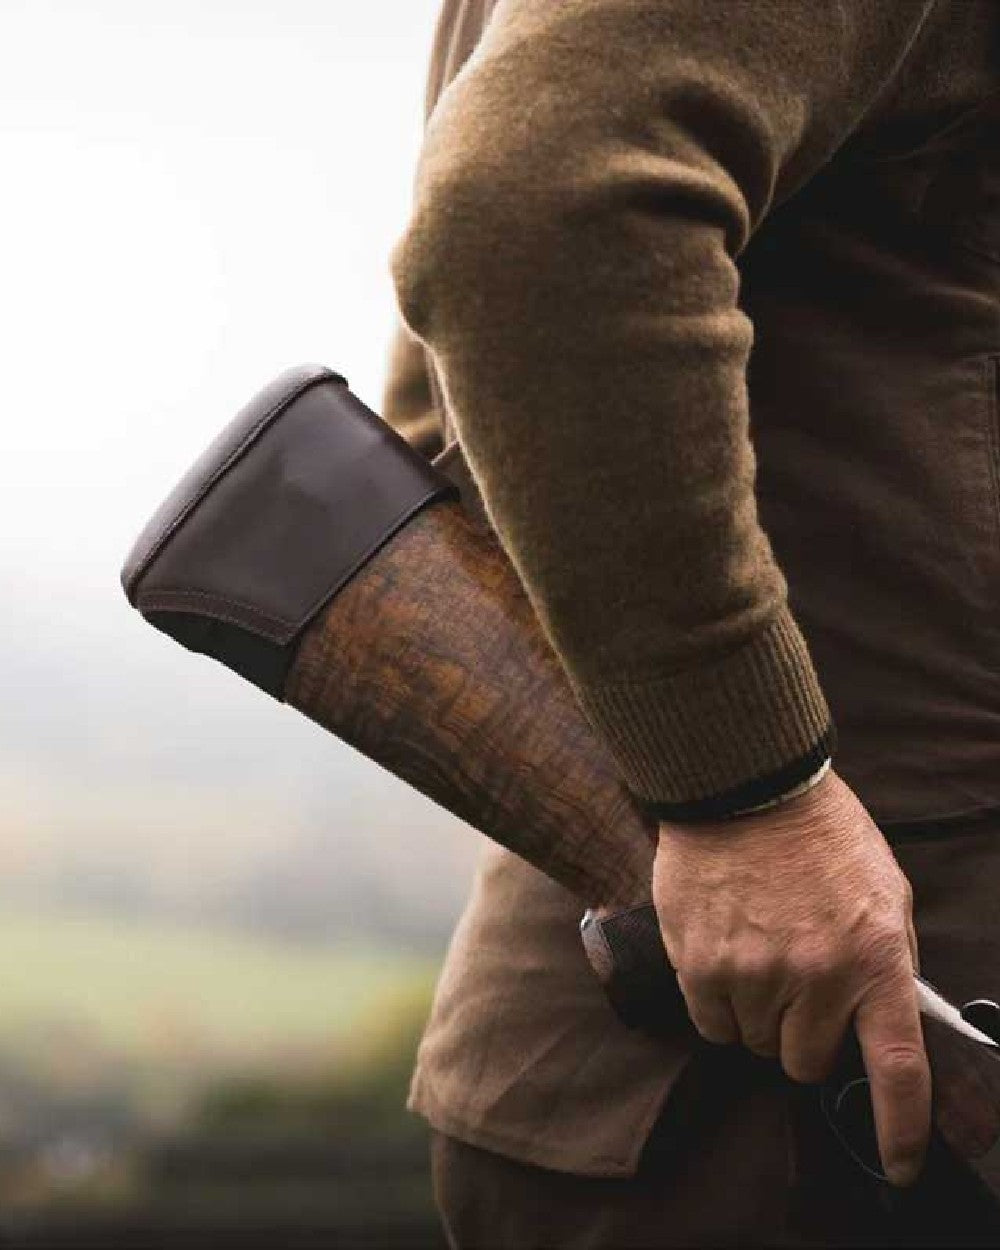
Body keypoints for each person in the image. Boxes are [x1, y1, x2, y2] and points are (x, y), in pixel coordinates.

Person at [383, 1, 1000, 1244]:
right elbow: (531, 209)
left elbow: (432, 418)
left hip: (784, 1072)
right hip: (821, 1083)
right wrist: (749, 793)